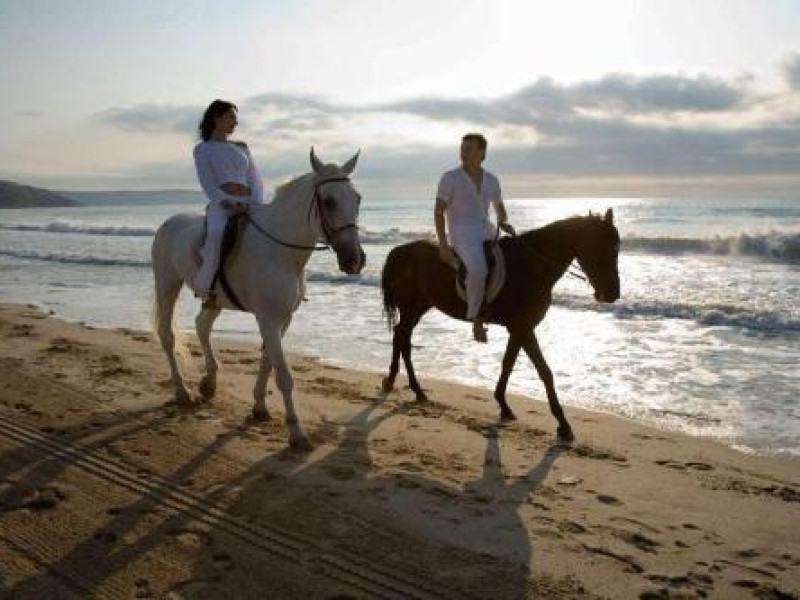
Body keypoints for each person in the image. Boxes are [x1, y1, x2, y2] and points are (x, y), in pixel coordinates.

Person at [434, 133, 515, 343]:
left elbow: (499, 208)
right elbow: (438, 211)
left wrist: (503, 222)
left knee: (513, 259)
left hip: (486, 229)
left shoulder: (492, 180)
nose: (463, 152)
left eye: (469, 148)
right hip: (462, 233)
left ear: (481, 152)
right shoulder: (450, 178)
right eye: (462, 148)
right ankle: (476, 317)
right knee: (478, 270)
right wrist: (443, 245)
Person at [192, 100, 264, 306]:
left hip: (249, 203)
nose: (235, 122)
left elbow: (255, 178)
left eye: (235, 118)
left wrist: (254, 203)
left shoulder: (241, 148)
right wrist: (227, 203)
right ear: (216, 118)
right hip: (222, 205)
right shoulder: (203, 149)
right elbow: (207, 182)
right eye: (231, 117)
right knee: (216, 235)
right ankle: (206, 289)